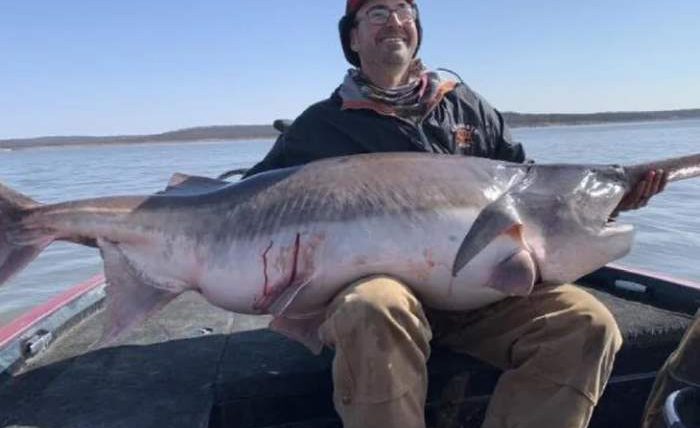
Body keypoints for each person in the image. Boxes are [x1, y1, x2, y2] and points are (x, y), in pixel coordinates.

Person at [245, 1, 668, 427]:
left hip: (481, 294)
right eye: (377, 12)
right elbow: (248, 201)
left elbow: (530, 191)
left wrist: (609, 200)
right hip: (381, 293)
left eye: (404, 10)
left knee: (585, 324)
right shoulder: (319, 127)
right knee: (374, 307)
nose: (395, 21)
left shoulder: (467, 108)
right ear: (352, 37)